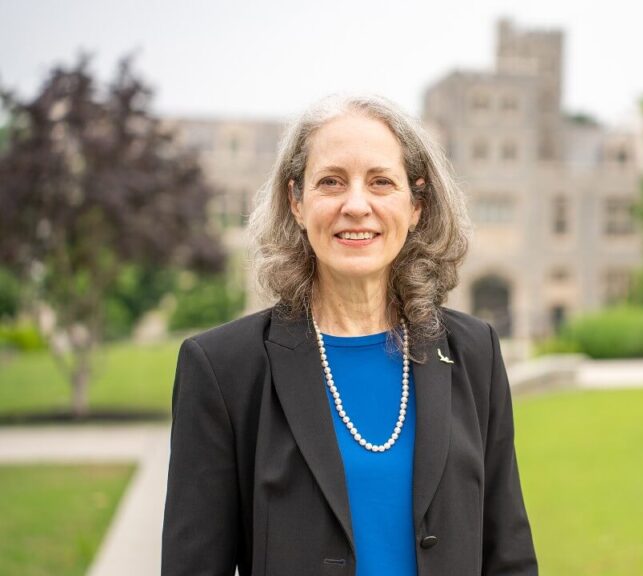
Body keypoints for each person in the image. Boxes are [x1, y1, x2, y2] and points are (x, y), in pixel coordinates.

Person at [161, 94, 538, 576]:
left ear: (416, 204)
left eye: (381, 182)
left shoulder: (474, 351)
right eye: (331, 182)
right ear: (296, 202)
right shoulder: (222, 368)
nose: (356, 205)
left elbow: (508, 553)